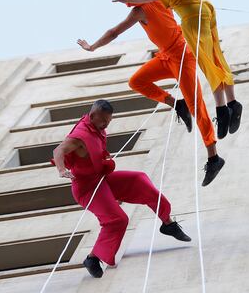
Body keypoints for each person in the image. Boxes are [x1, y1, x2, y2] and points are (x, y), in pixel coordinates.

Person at [78, 0, 226, 186]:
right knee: (136, 81)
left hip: (182, 56)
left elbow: (114, 31)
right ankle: (177, 105)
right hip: (166, 56)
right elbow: (116, 30)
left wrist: (92, 47)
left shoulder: (146, 4)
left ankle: (214, 156)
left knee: (198, 107)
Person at [113, 0, 243, 140]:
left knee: (206, 62)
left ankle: (223, 111)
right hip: (204, 7)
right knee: (215, 57)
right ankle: (233, 103)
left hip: (192, 15)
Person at [52, 100, 191, 278]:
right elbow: (58, 151)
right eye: (103, 121)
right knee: (118, 219)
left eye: (108, 122)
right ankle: (93, 258)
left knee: (139, 179)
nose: (105, 125)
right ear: (92, 116)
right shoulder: (79, 136)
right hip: (87, 188)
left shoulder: (97, 127)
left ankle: (168, 223)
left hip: (101, 180)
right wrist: (62, 170)